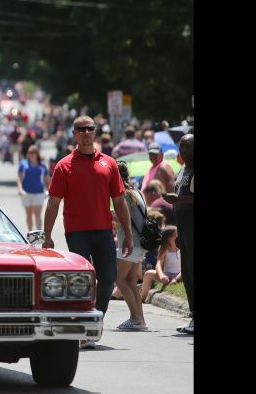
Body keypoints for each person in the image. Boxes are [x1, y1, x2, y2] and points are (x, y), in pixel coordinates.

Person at [43, 116, 134, 350]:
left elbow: (119, 201)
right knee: (82, 281)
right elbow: (54, 203)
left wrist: (128, 232)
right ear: (74, 133)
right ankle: (81, 326)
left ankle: (95, 321)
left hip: (104, 230)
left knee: (108, 278)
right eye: (81, 129)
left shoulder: (109, 164)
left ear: (95, 132)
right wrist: (47, 235)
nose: (86, 133)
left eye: (90, 129)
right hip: (76, 232)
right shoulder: (64, 165)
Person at [112, 161, 148, 330]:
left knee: (119, 279)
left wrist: (108, 216)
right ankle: (139, 319)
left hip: (130, 242)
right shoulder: (136, 191)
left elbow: (123, 218)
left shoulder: (124, 193)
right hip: (140, 242)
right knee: (131, 281)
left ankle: (135, 318)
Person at [165, 134, 193, 334]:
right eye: (181, 146)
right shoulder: (183, 168)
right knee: (188, 270)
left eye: (188, 146)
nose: (183, 150)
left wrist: (179, 200)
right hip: (182, 224)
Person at [140, 226, 181, 303]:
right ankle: (142, 297)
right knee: (148, 273)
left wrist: (176, 279)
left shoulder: (182, 249)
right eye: (175, 235)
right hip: (167, 276)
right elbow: (158, 264)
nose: (177, 236)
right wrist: (162, 275)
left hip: (180, 276)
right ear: (169, 238)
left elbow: (185, 269)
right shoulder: (164, 249)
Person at [17, 145, 50, 232]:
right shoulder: (23, 164)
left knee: (38, 213)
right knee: (29, 214)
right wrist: (19, 189)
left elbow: (47, 179)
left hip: (39, 192)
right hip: (26, 192)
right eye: (29, 153)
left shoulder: (42, 165)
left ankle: (39, 234)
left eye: (32, 153)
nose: (30, 154)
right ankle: (30, 234)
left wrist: (48, 190)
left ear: (36, 154)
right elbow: (19, 178)